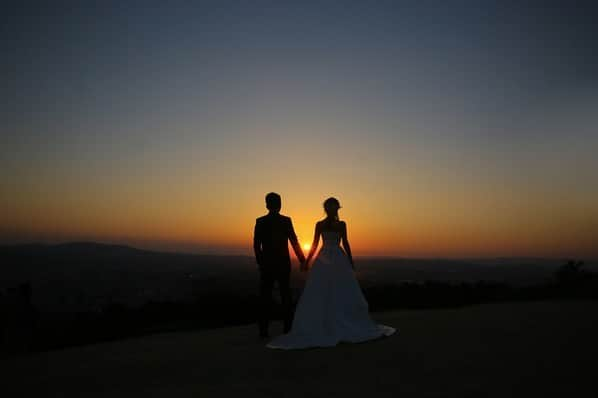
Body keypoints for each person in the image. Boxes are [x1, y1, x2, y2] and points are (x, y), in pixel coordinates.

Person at [267, 197, 395, 349]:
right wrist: (307, 261)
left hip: (332, 258)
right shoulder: (323, 224)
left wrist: (350, 260)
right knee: (326, 289)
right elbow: (315, 244)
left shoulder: (339, 224)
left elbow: (345, 242)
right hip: (328, 258)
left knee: (337, 289)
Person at [254, 192, 306, 339]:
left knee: (265, 297)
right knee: (285, 295)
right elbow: (294, 241)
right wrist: (303, 260)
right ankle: (288, 328)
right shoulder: (286, 221)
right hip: (283, 263)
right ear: (280, 204)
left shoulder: (260, 221)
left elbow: (256, 246)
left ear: (266, 204)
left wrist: (260, 263)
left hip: (267, 265)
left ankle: (263, 331)